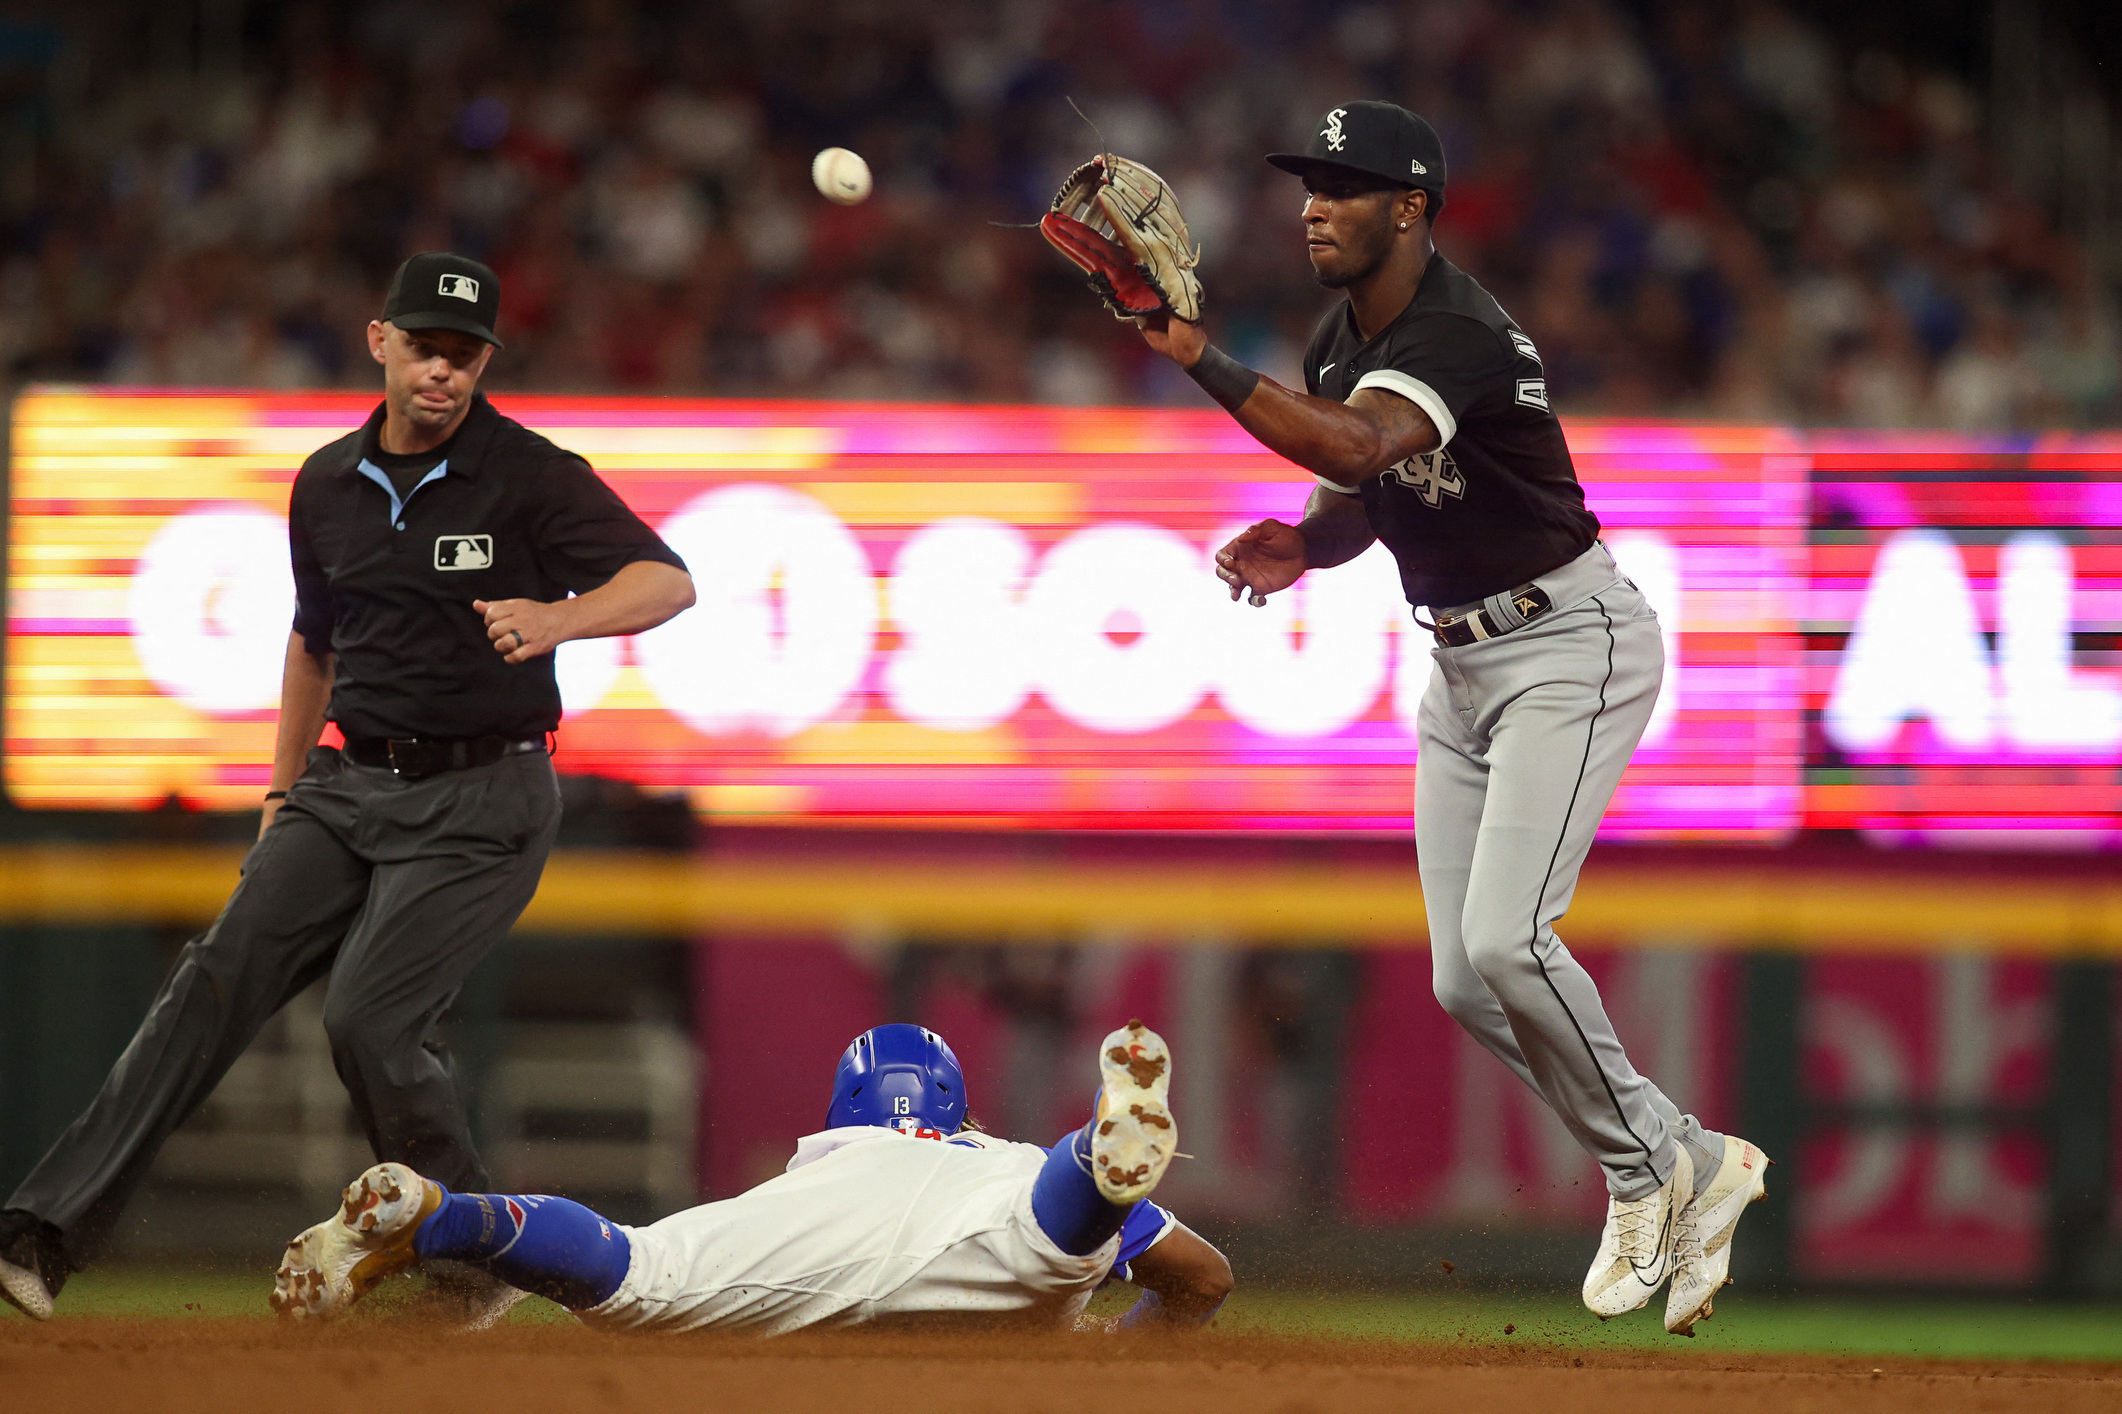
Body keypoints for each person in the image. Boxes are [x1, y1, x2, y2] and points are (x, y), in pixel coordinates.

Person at [1116, 102, 1766, 1336]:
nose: (1316, 201)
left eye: (1346, 184)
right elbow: (1367, 489)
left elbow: (1364, 443)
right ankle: (1676, 1157)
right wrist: (1304, 547)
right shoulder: (1335, 341)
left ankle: (1654, 1164)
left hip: (1568, 645)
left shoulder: (1457, 332)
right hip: (1460, 668)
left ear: (1410, 207)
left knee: (1513, 941)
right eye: (1310, 180)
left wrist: (1198, 356)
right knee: (1466, 978)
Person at [0, 252, 697, 1324]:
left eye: (464, 355)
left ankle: (465, 1255)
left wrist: (558, 617)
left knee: (368, 1020)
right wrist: (279, 793)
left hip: (484, 795)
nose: (444, 373)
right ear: (380, 341)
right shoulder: (325, 482)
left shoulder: (529, 471)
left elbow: (667, 578)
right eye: (425, 347)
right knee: (212, 981)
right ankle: (44, 1229)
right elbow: (312, 644)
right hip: (345, 781)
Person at [270, 1020, 1231, 1334]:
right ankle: (1094, 1166)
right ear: (957, 1111)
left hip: (810, 1249)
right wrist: (1123, 1352)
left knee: (639, 1269)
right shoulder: (995, 1160)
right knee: (1048, 1237)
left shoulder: (820, 1165)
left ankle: (441, 1214)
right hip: (1005, 1234)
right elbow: (1206, 1279)